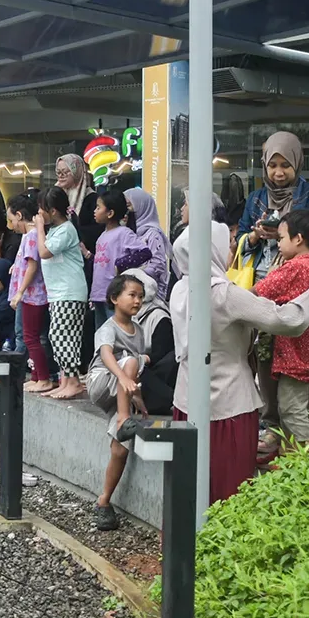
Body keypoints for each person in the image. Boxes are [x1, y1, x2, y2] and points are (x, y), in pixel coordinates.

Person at [170, 221, 309, 505]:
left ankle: (186, 546)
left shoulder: (181, 288)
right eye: (227, 245)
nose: (231, 250)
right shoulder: (224, 294)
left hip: (187, 402)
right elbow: (288, 320)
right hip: (230, 405)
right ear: (209, 251)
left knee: (188, 486)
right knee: (228, 491)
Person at [252, 209, 309, 457]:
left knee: (291, 409)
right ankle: (290, 456)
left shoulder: (296, 267)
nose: (278, 243)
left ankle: (303, 462)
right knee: (294, 407)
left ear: (298, 239)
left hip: (293, 351)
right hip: (301, 349)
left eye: (281, 238)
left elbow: (259, 291)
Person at [90, 274, 154, 531]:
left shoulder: (138, 330)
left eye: (140, 296)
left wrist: (135, 393)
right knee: (131, 359)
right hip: (100, 382)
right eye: (132, 295)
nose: (137, 300)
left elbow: (133, 374)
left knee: (120, 449)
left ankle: (104, 502)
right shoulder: (108, 327)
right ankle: (123, 418)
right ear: (114, 298)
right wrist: (123, 377)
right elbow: (107, 354)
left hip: (121, 391)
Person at [236, 131, 309, 281]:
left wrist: (284, 236)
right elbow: (239, 240)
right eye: (272, 166)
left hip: (299, 278)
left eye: (286, 165)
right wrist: (255, 235)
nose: (278, 172)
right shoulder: (255, 198)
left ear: (297, 163)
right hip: (259, 276)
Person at [37, 186, 89, 400]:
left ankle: (74, 382)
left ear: (53, 211)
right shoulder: (57, 230)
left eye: (42, 210)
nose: (39, 214)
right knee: (59, 336)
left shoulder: (66, 229)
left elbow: (44, 252)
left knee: (63, 337)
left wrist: (39, 228)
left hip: (69, 292)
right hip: (59, 293)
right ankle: (65, 381)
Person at [10, 194, 52, 393]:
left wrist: (20, 292)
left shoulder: (32, 235)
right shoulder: (29, 236)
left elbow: (33, 266)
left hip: (34, 296)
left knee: (31, 337)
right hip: (31, 295)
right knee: (31, 337)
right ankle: (37, 376)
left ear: (19, 215)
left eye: (11, 220)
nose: (11, 225)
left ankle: (43, 377)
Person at [122, 269, 176, 415]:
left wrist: (143, 360)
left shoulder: (159, 316)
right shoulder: (127, 315)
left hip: (154, 370)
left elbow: (163, 353)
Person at [90, 189, 139, 326]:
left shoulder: (124, 233)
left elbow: (144, 252)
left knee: (116, 333)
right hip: (99, 294)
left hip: (114, 294)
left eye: (98, 207)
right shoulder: (101, 236)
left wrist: (121, 263)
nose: (95, 211)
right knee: (101, 336)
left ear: (110, 213)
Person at [115, 187, 172, 302]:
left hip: (150, 294)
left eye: (129, 206)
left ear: (141, 207)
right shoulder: (129, 232)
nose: (126, 211)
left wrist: (134, 275)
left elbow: (158, 265)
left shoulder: (152, 234)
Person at [54, 153, 102, 262]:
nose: (61, 176)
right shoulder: (54, 194)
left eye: (65, 172)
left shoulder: (92, 199)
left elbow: (96, 230)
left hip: (82, 256)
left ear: (77, 172)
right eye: (58, 172)